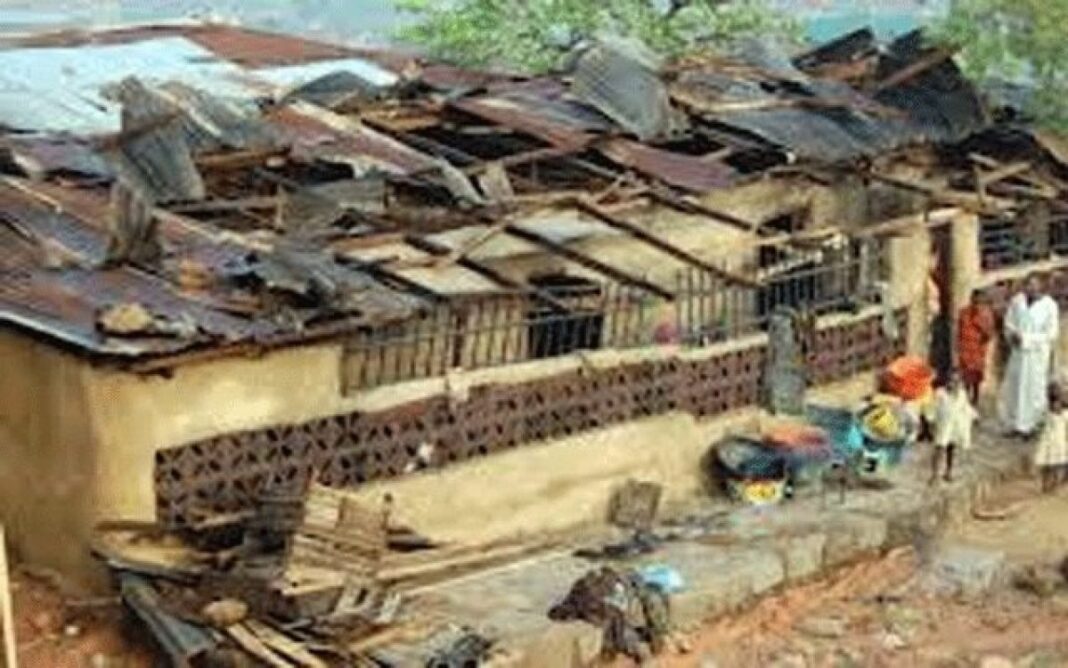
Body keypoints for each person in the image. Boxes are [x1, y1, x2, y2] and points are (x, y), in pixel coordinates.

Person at [999, 274, 1060, 437]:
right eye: (1028, 285)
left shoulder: (1049, 306)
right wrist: (1012, 335)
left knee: (1034, 389)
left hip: (1036, 355)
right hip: (1018, 353)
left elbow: (1051, 333)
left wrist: (1028, 339)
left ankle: (1032, 425)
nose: (1030, 288)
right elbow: (1009, 322)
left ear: (1040, 286)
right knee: (1014, 387)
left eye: (1034, 285)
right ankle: (1013, 423)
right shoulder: (1017, 301)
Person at [931, 372, 976, 484]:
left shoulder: (962, 394)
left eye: (957, 382)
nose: (954, 384)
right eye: (951, 381)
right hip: (944, 425)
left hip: (955, 426)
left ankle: (948, 471)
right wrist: (931, 421)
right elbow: (933, 408)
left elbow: (965, 407)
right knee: (940, 449)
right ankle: (935, 474)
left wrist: (974, 415)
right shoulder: (940, 394)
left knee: (951, 449)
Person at [957, 289, 996, 405]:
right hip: (965, 350)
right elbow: (959, 331)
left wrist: (980, 323)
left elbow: (989, 334)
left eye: (980, 302)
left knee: (976, 380)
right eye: (975, 301)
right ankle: (965, 403)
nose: (977, 304)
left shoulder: (986, 315)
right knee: (965, 380)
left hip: (978, 353)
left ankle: (975, 402)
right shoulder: (964, 313)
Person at [1034, 385, 1068, 493]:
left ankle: (1054, 485)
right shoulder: (1046, 414)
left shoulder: (1065, 416)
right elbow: (1039, 424)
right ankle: (1045, 484)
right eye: (1054, 403)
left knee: (1056, 466)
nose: (1056, 406)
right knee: (1045, 465)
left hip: (1059, 444)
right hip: (1047, 443)